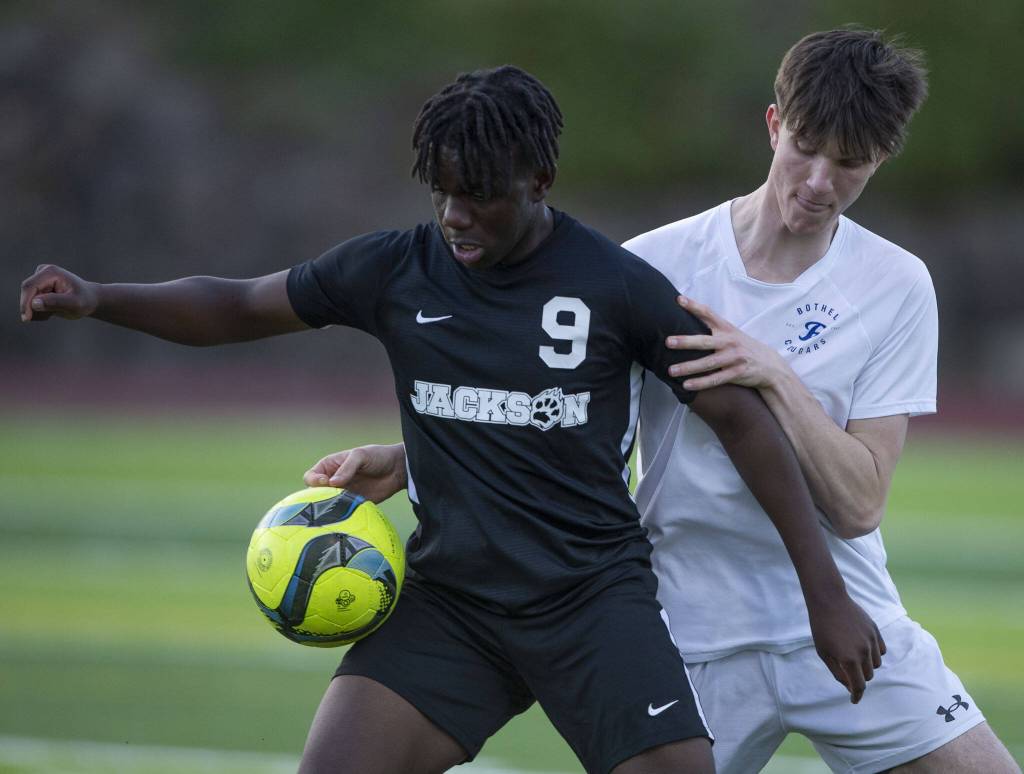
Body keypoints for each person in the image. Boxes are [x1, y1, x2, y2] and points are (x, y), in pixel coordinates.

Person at [20, 65, 883, 774]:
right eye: (442, 194)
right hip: (454, 606)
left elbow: (742, 422)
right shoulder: (399, 269)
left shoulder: (613, 285)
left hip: (590, 604)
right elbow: (242, 304)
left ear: (538, 181)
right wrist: (97, 298)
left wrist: (827, 597)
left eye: (479, 196)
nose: (455, 217)